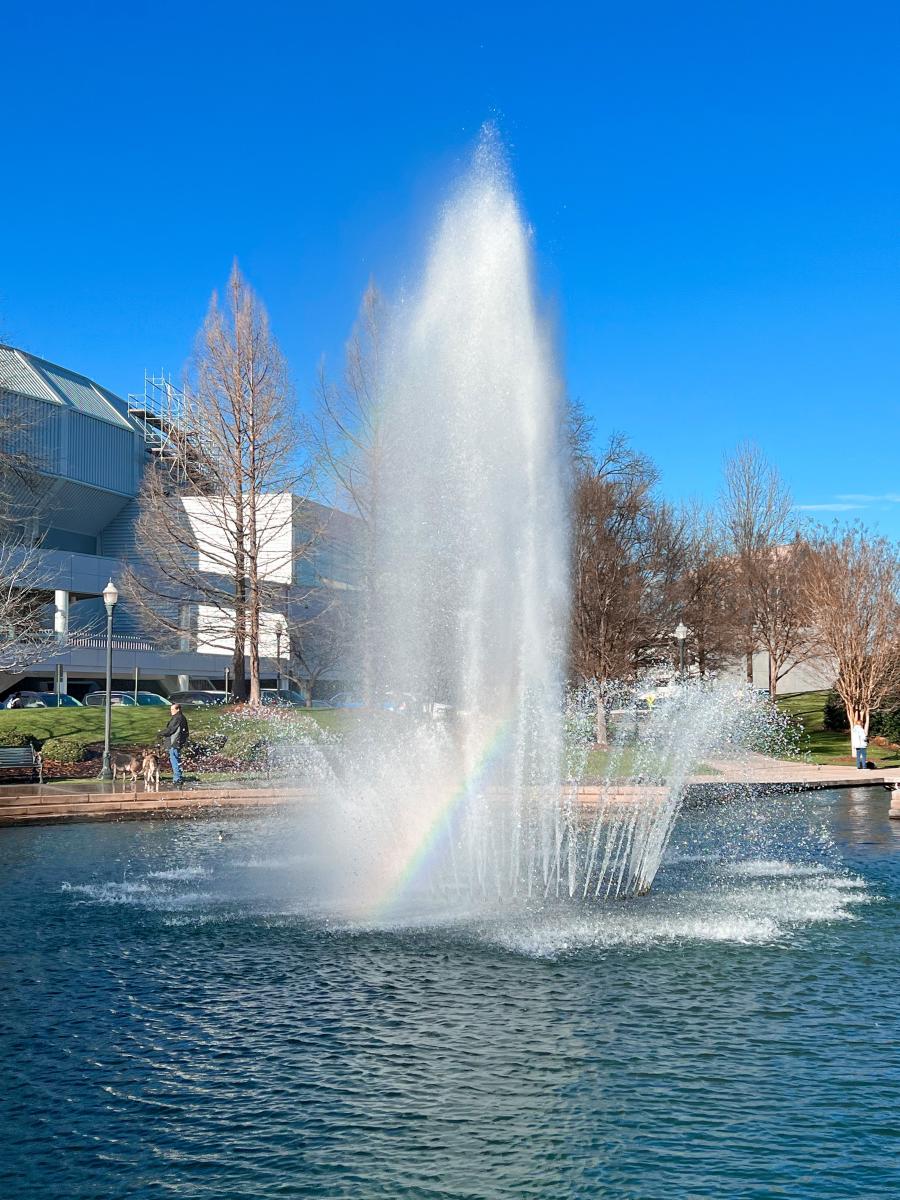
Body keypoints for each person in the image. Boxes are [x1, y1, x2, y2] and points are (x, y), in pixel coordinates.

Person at [160, 702, 189, 788]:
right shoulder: (182, 717)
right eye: (171, 709)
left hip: (174, 742)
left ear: (178, 709)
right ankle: (179, 778)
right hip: (178, 742)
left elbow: (170, 730)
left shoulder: (177, 718)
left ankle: (177, 780)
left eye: (173, 709)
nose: (171, 711)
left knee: (175, 761)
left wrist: (160, 733)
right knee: (177, 760)